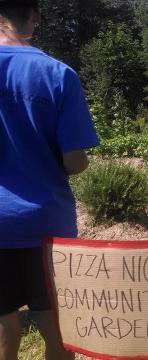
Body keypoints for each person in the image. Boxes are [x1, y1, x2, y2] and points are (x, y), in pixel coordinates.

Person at [0, 0, 99, 359]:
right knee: (57, 328)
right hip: (46, 224)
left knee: (4, 328)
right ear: (34, 14)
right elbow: (75, 163)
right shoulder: (57, 74)